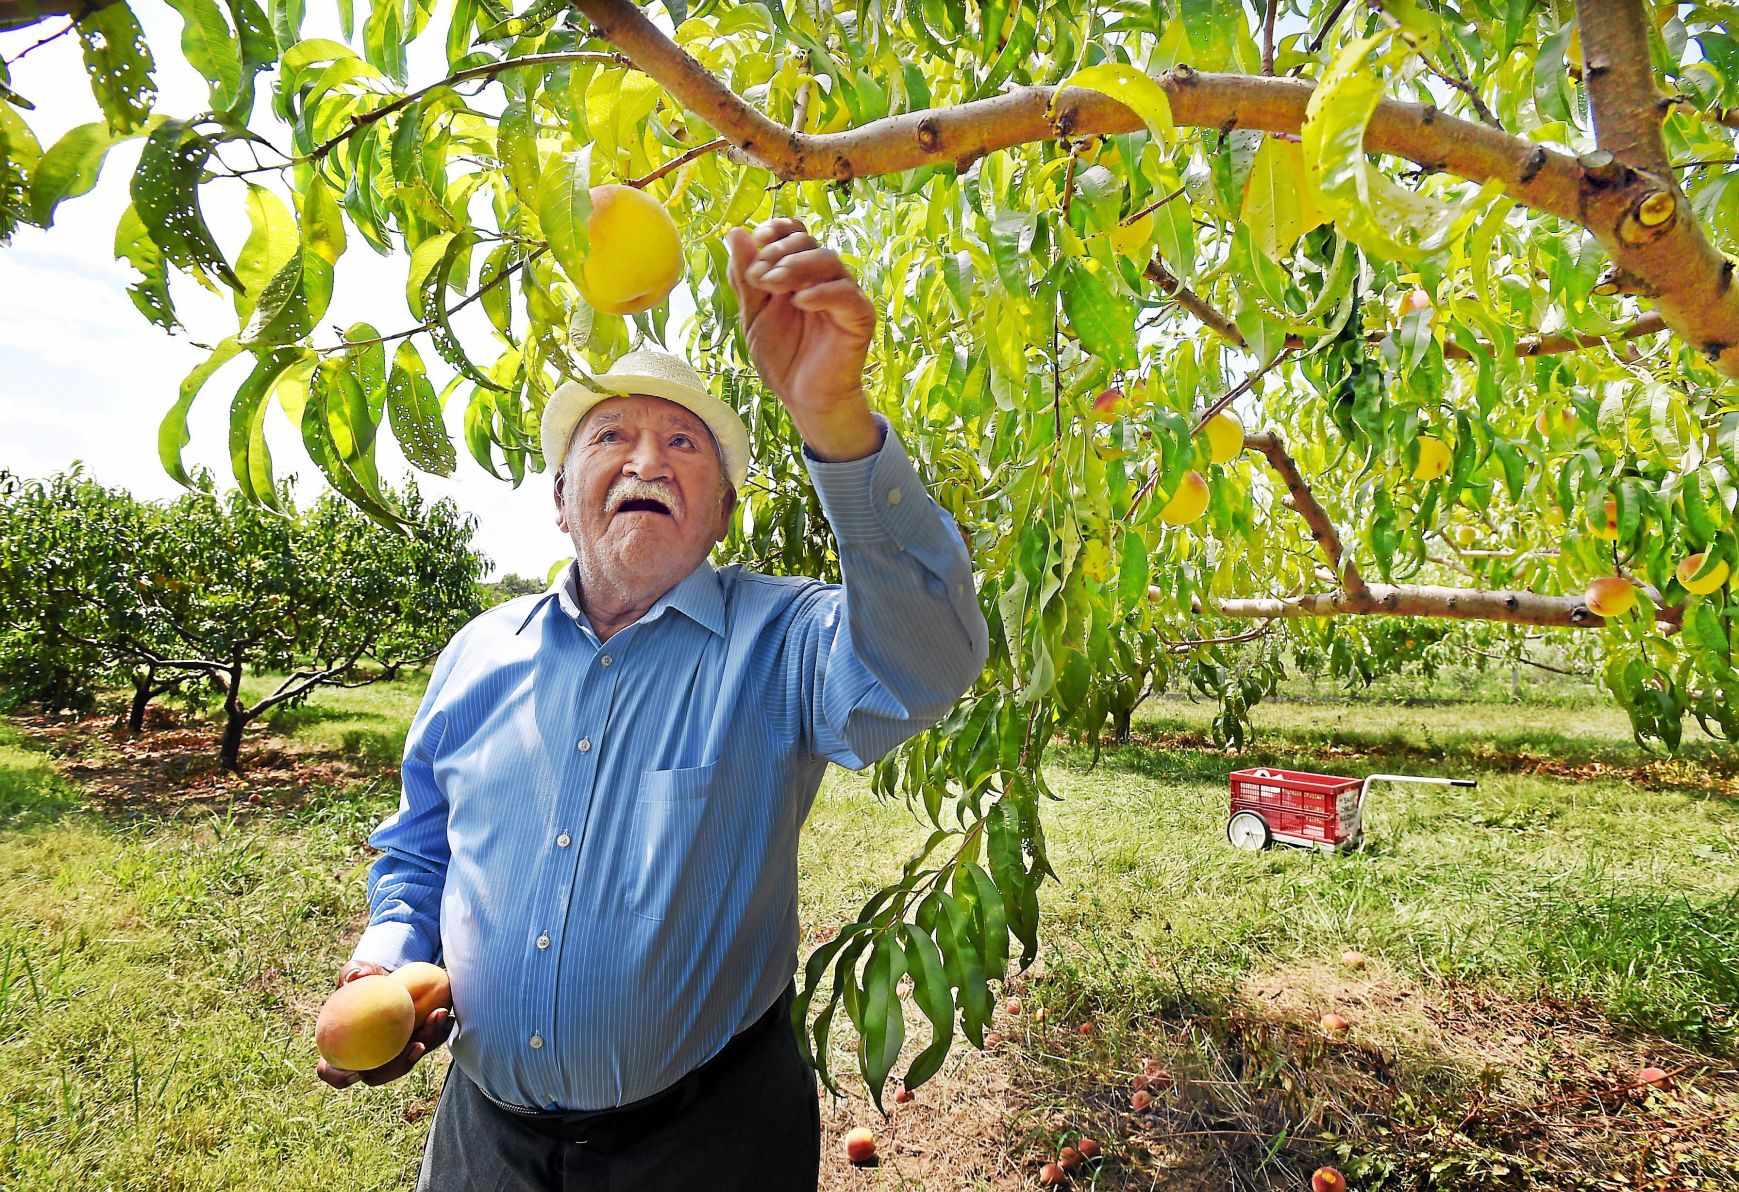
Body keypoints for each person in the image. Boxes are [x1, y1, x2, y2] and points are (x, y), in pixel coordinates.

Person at [316, 216, 989, 1191]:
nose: (646, 460)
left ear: (719, 510)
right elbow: (421, 846)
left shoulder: (783, 639)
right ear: (558, 497)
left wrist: (832, 417)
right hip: (483, 1142)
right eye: (609, 436)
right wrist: (386, 958)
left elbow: (927, 657)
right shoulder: (474, 656)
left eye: (683, 442)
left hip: (704, 1141)